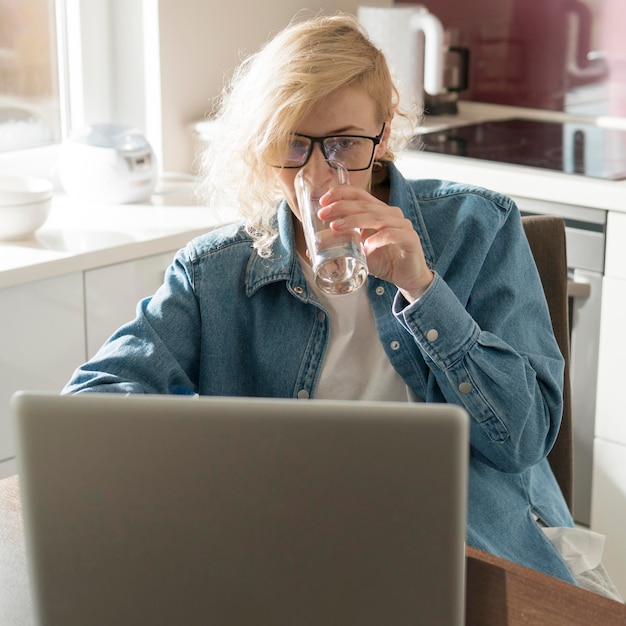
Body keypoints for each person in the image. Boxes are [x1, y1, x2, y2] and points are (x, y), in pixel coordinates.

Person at [63, 12, 622, 599]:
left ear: (383, 132)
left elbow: (524, 439)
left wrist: (424, 289)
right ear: (263, 146)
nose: (321, 176)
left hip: (462, 547)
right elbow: (92, 409)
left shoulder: (478, 228)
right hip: (292, 554)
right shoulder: (214, 272)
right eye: (294, 145)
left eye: (346, 144)